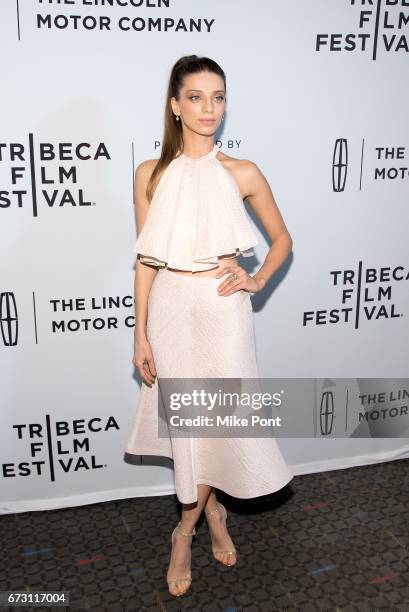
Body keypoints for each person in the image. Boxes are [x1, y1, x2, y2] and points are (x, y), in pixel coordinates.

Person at [125, 54, 294, 597]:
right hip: (172, 307)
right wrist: (140, 332)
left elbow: (282, 240)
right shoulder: (149, 174)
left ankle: (188, 527)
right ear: (175, 105)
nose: (208, 108)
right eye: (195, 97)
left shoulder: (241, 172)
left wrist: (257, 278)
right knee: (188, 425)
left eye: (217, 97)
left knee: (218, 421)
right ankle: (203, 519)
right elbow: (146, 260)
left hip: (223, 312)